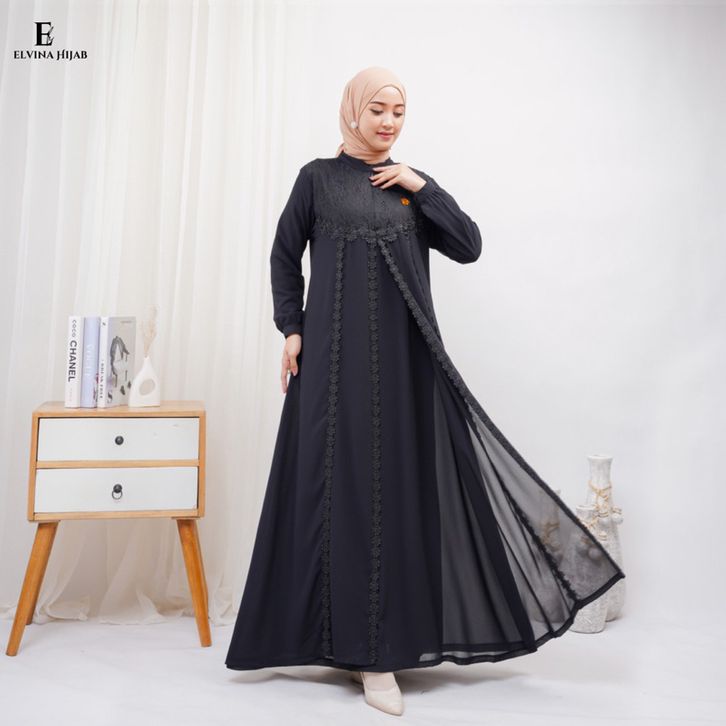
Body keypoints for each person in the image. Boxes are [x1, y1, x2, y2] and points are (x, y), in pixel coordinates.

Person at [225, 66, 625, 716]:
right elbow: (282, 255)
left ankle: (384, 645)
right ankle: (355, 649)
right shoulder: (317, 180)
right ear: (352, 111)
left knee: (392, 501)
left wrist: (423, 185)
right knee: (339, 498)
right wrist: (291, 328)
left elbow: (468, 245)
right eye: (377, 109)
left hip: (405, 372)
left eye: (399, 111)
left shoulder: (411, 189)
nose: (388, 121)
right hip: (331, 370)